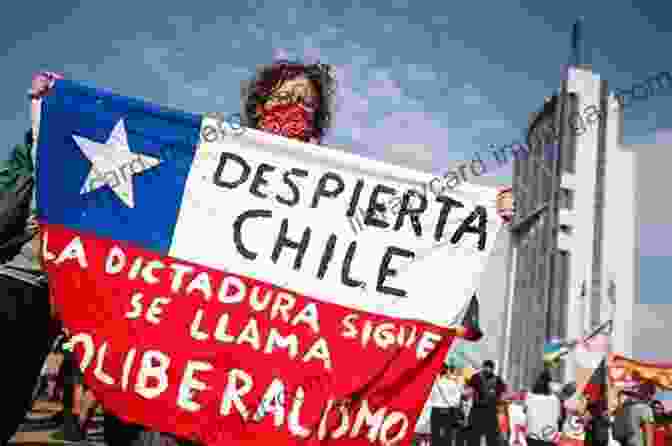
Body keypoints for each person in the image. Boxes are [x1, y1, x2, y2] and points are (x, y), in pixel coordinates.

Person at [465, 360, 507, 446]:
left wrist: (501, 411)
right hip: (477, 411)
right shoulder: (476, 377)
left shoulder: (498, 380)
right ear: (483, 367)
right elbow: (470, 390)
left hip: (491, 413)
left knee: (492, 439)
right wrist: (466, 396)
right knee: (473, 438)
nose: (487, 369)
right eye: (485, 367)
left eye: (489, 367)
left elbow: (503, 396)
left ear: (492, 369)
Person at [429, 363, 466, 446]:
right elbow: (458, 398)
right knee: (446, 436)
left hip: (438, 410)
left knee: (437, 436)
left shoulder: (437, 381)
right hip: (447, 410)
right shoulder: (454, 381)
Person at [524, 370, 562, 446]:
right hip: (549, 436)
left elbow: (525, 411)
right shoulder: (555, 399)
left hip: (533, 435)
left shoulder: (530, 396)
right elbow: (559, 418)